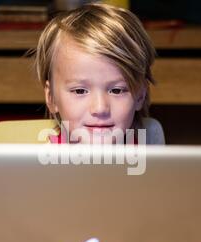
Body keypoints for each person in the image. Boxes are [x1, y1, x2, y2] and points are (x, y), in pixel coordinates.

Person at [30, 3, 157, 144]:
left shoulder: (149, 155)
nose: (100, 108)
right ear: (51, 98)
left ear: (140, 96)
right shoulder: (44, 162)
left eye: (116, 90)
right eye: (79, 91)